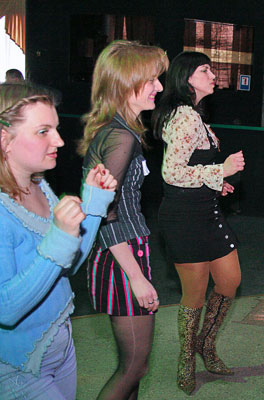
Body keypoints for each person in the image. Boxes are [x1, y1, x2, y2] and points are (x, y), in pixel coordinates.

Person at [0, 83, 116, 399]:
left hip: (61, 348)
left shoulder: (39, 185)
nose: (59, 141)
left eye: (56, 129)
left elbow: (67, 266)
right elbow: (5, 310)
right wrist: (59, 239)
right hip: (20, 367)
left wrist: (94, 204)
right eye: (43, 131)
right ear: (4, 139)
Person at [78, 40, 168, 399]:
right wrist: (136, 277)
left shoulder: (119, 129)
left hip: (122, 251)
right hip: (121, 254)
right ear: (124, 81)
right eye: (151, 79)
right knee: (134, 367)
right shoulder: (120, 136)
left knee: (133, 368)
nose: (159, 87)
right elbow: (106, 213)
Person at [151, 51, 245, 394]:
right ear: (187, 77)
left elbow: (191, 167)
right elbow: (172, 173)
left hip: (207, 211)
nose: (214, 75)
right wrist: (222, 169)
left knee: (230, 280)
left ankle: (205, 343)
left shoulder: (195, 116)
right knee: (194, 294)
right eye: (206, 70)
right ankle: (187, 358)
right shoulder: (185, 117)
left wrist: (216, 182)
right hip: (184, 217)